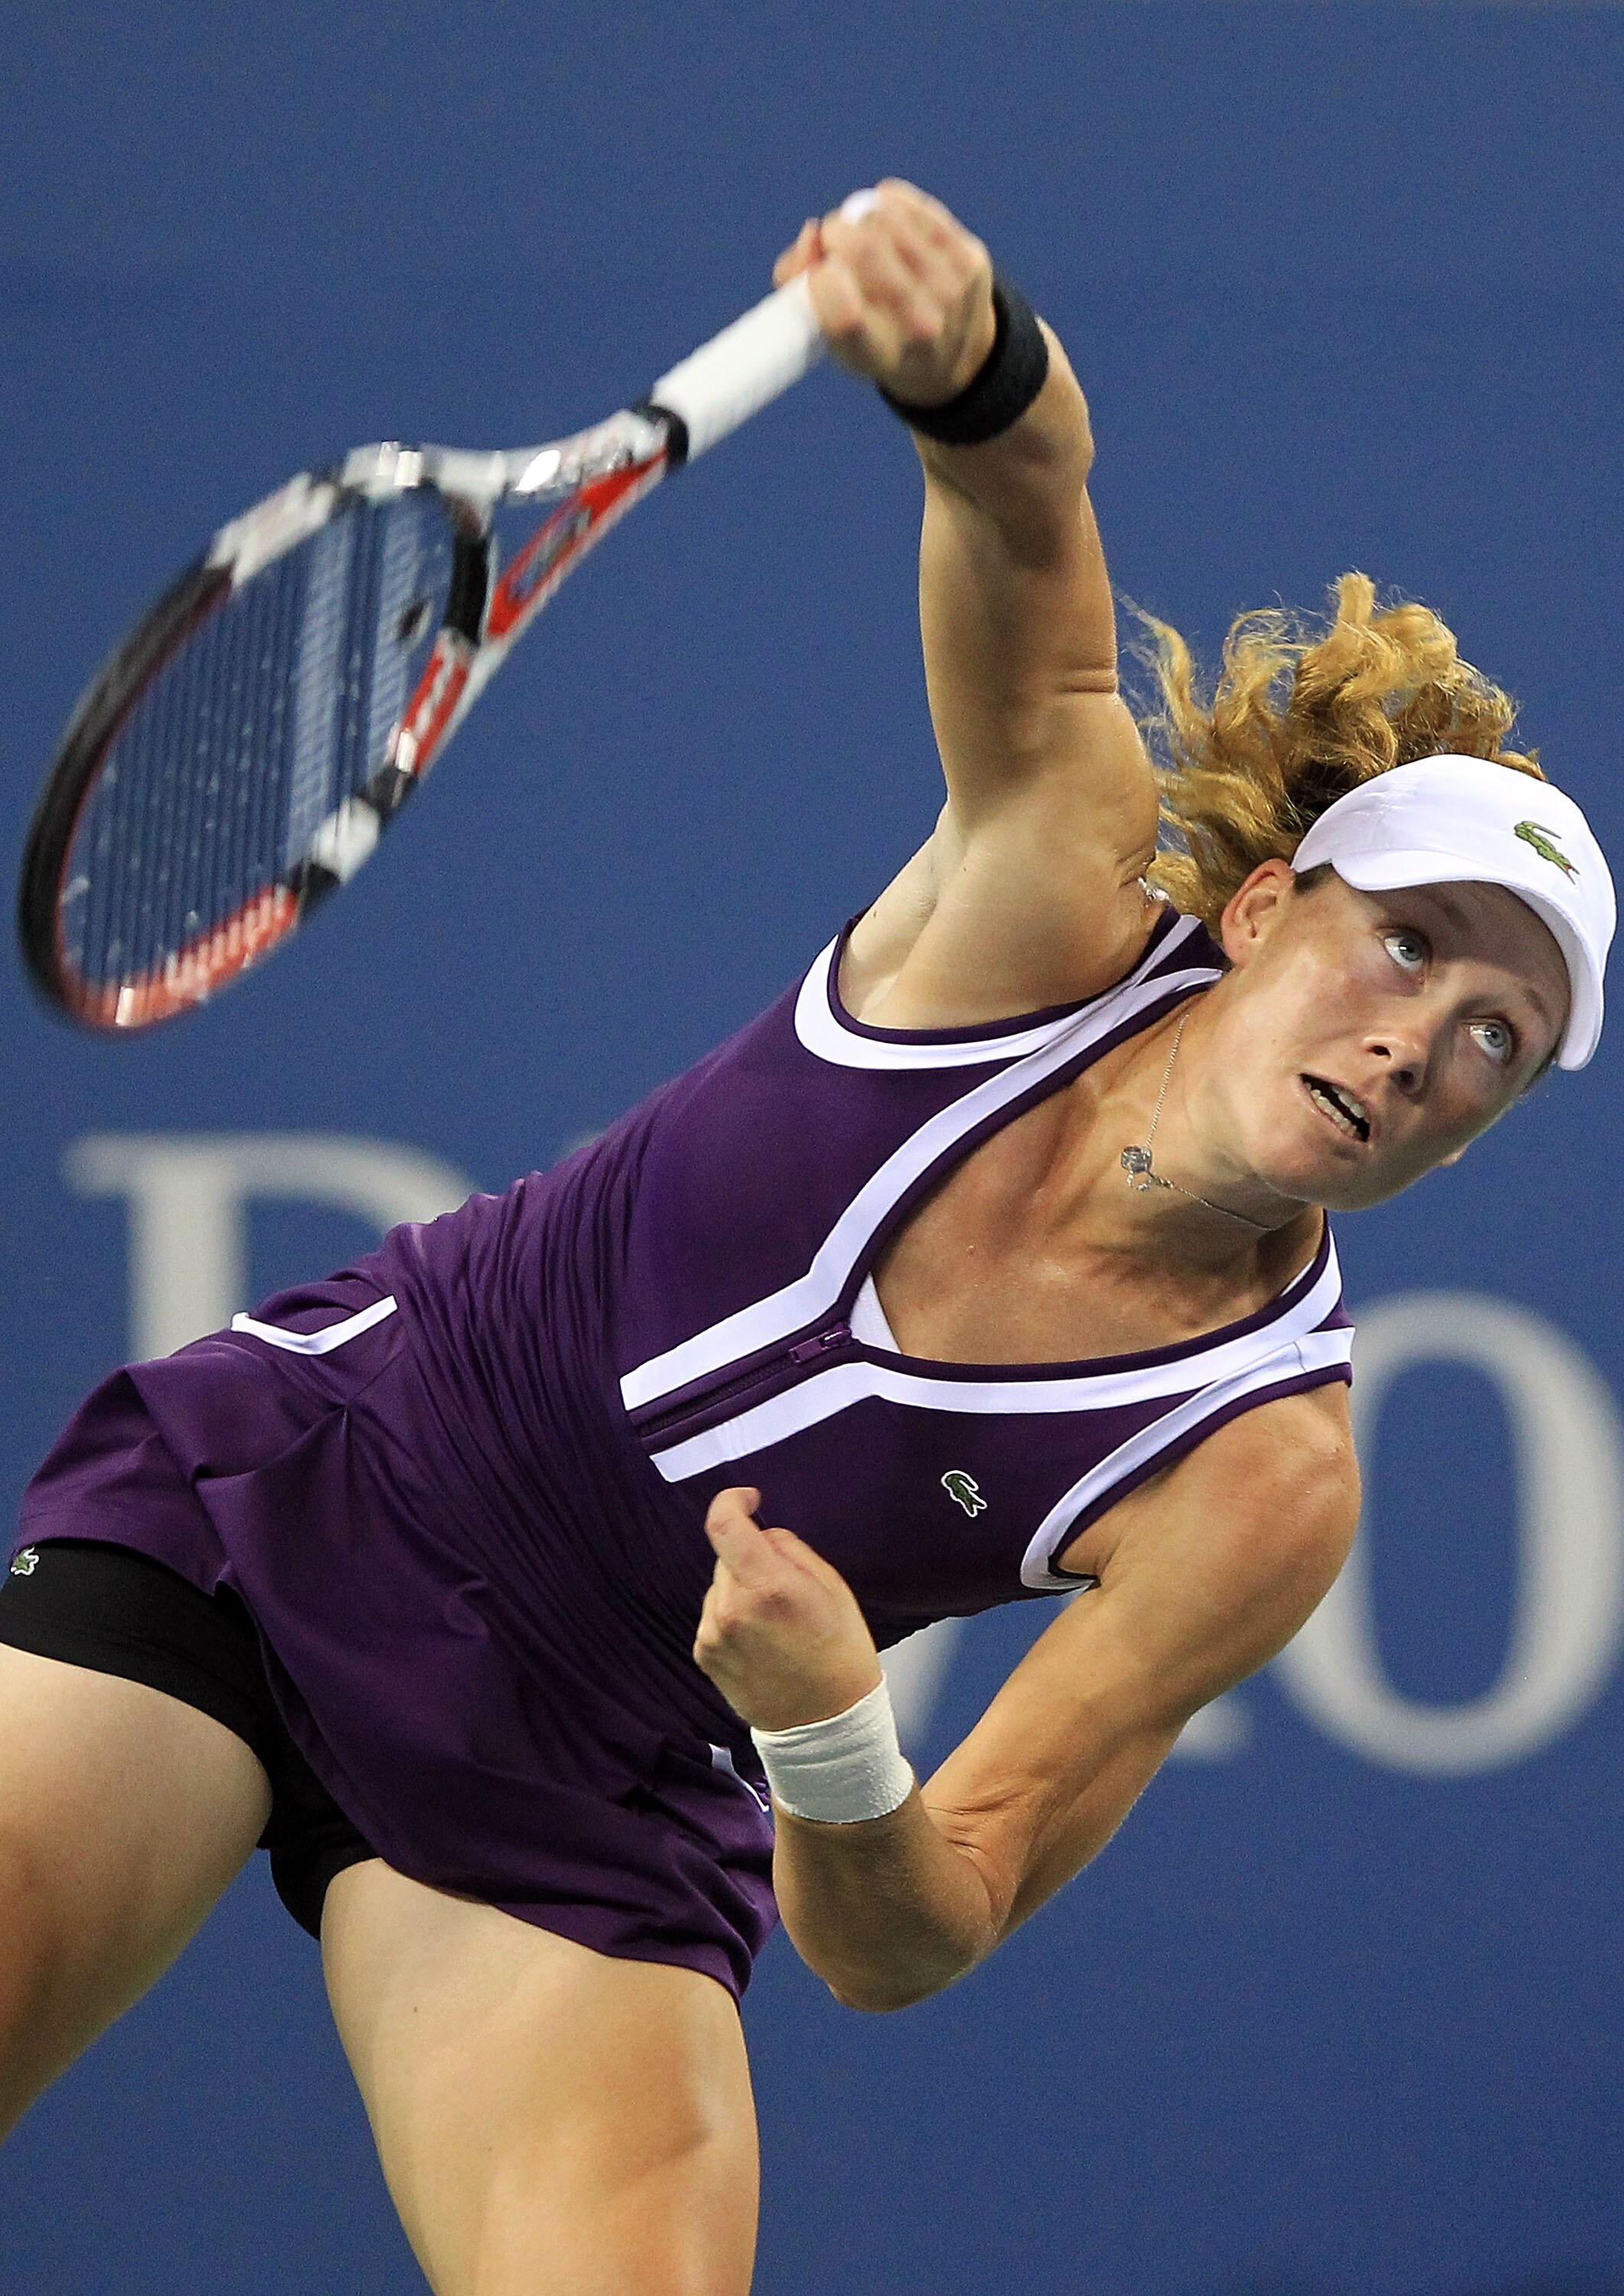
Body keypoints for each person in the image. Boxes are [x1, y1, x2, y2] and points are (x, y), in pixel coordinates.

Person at [0, 181, 1612, 2296]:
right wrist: (967, 364)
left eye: (1497, 1038)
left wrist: (835, 1736)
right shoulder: (1047, 899)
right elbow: (1031, 536)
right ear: (1254, 912)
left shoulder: (1264, 1479)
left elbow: (921, 1928)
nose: (1422, 1040)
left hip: (587, 1779)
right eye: (1404, 946)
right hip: (302, 1486)